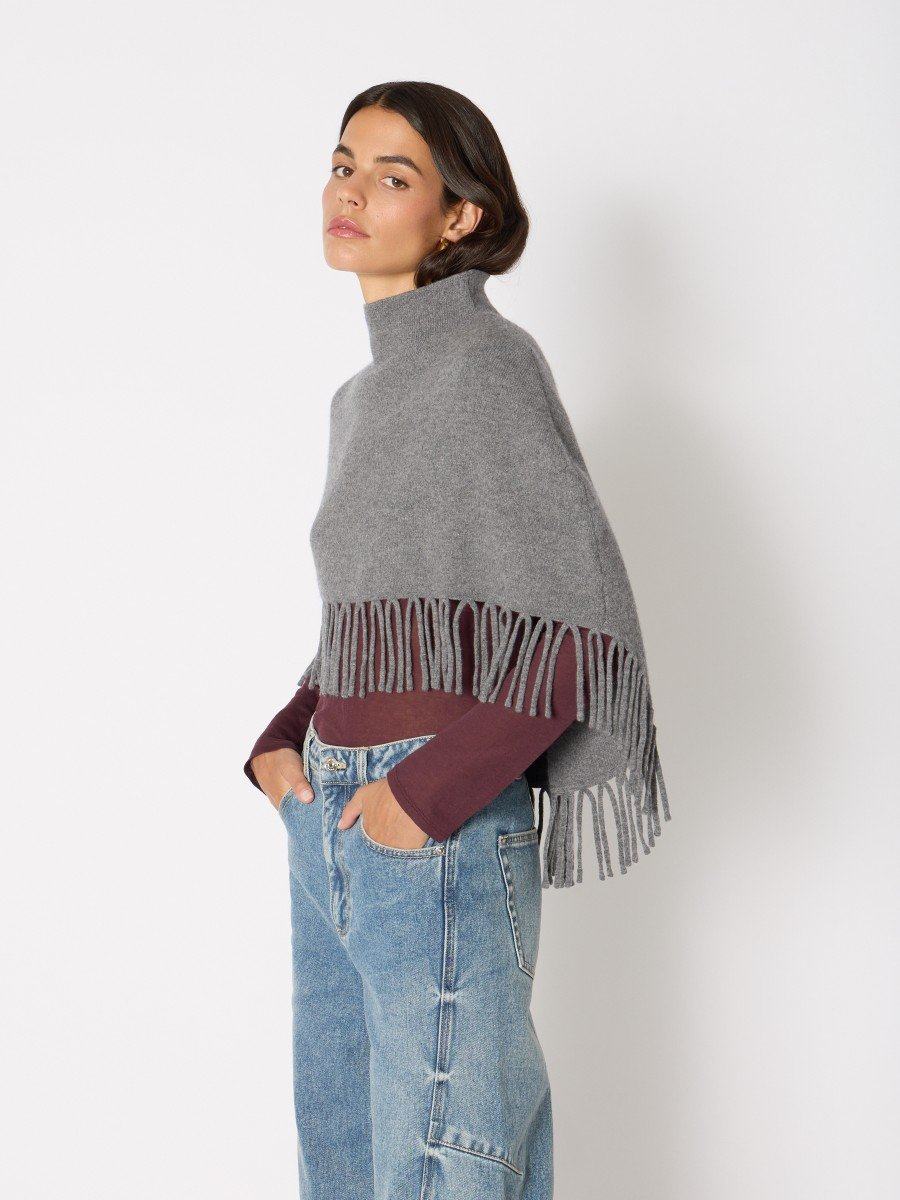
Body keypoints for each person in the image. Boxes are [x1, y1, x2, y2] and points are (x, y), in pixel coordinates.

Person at [245, 79, 671, 1200]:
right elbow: (373, 618)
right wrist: (283, 741)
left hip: (433, 819)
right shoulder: (362, 397)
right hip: (333, 809)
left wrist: (421, 796)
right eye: (344, 165)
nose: (351, 192)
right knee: (344, 1158)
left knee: (447, 1164)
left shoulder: (485, 364)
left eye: (393, 177)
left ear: (459, 217)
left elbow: (575, 629)